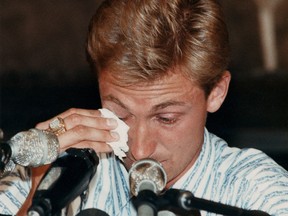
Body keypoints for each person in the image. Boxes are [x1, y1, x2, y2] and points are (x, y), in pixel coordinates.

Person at [1, 0, 288, 215]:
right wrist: (39, 199)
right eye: (120, 114)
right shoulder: (51, 168)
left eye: (166, 118)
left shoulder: (256, 190)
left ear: (216, 92)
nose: (139, 149)